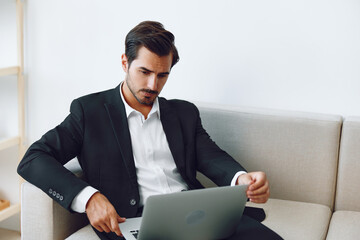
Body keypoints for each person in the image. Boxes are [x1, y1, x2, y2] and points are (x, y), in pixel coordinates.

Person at [18, 21, 282, 240]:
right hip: (138, 223)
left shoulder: (184, 113)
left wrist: (241, 179)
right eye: (144, 71)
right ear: (125, 63)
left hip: (197, 214)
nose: (153, 85)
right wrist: (89, 198)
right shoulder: (90, 112)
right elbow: (34, 159)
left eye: (162, 75)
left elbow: (212, 157)